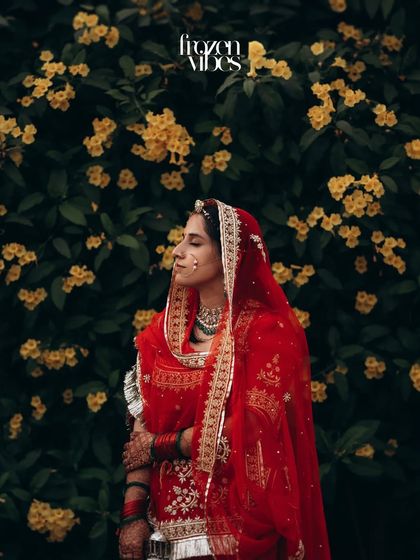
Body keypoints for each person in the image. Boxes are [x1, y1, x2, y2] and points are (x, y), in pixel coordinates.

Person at [118, 198, 331, 560]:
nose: (177, 251)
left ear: (230, 255)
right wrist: (132, 515)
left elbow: (253, 426)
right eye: (182, 240)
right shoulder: (160, 335)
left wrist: (161, 445)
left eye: (195, 243)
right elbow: (140, 431)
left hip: (239, 528)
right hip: (163, 532)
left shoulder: (265, 334)